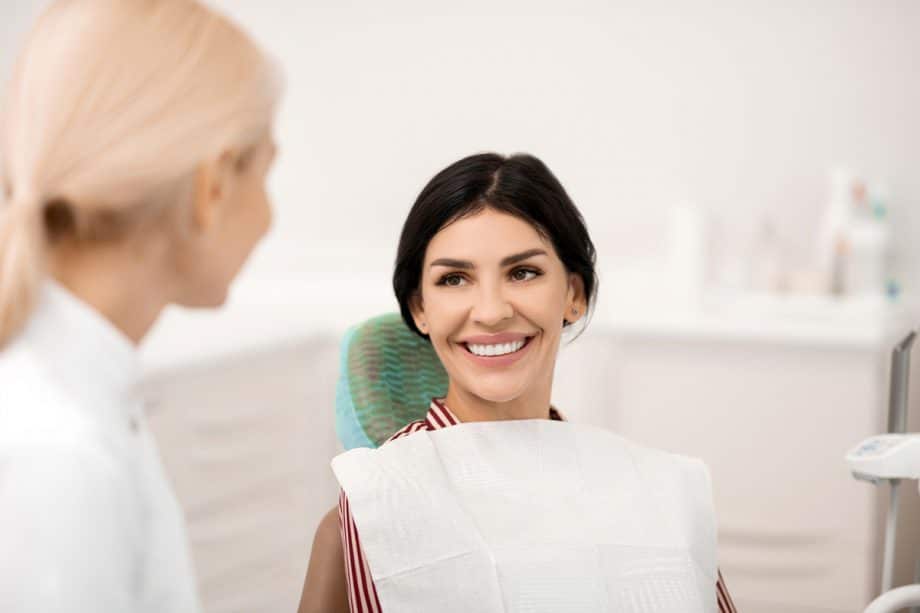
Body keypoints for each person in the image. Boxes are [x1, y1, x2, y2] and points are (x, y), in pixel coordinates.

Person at [299, 153, 737, 612]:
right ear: (420, 309)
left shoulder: (662, 497)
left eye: (522, 273)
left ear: (573, 294)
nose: (491, 311)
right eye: (454, 279)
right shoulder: (366, 521)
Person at [0, 1, 281, 611]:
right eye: (266, 173)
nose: (269, 217)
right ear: (211, 189)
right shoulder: (57, 459)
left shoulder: (77, 404)